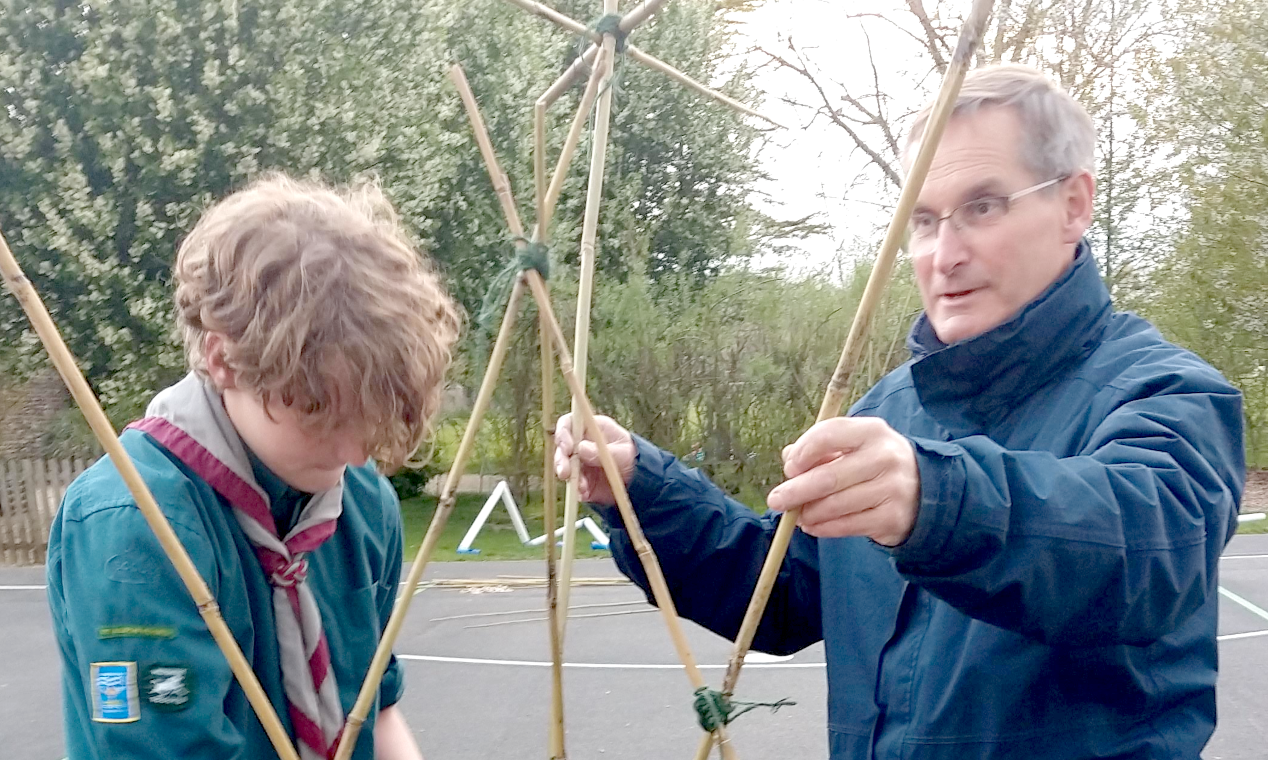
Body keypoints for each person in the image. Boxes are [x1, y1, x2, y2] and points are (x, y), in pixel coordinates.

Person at [555, 64, 1245, 759]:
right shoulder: (890, 410)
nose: (944, 255)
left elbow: (1144, 552)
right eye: (922, 220)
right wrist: (642, 489)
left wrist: (932, 500)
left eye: (983, 207)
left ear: (1074, 204)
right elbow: (783, 593)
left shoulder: (1169, 393)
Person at [46, 174, 461, 760]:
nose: (355, 453)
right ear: (225, 360)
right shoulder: (134, 526)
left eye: (368, 416)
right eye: (318, 410)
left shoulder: (362, 502)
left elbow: (377, 711)